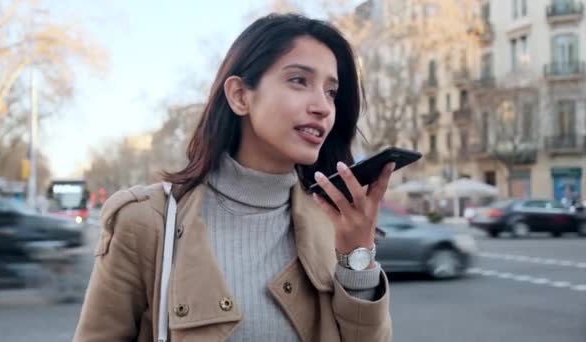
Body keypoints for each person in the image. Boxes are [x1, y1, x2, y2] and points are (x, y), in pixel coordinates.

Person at [74, 13, 393, 342]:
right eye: (299, 81)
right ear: (240, 95)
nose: (323, 107)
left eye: (330, 92)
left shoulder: (331, 226)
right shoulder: (145, 222)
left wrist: (358, 258)